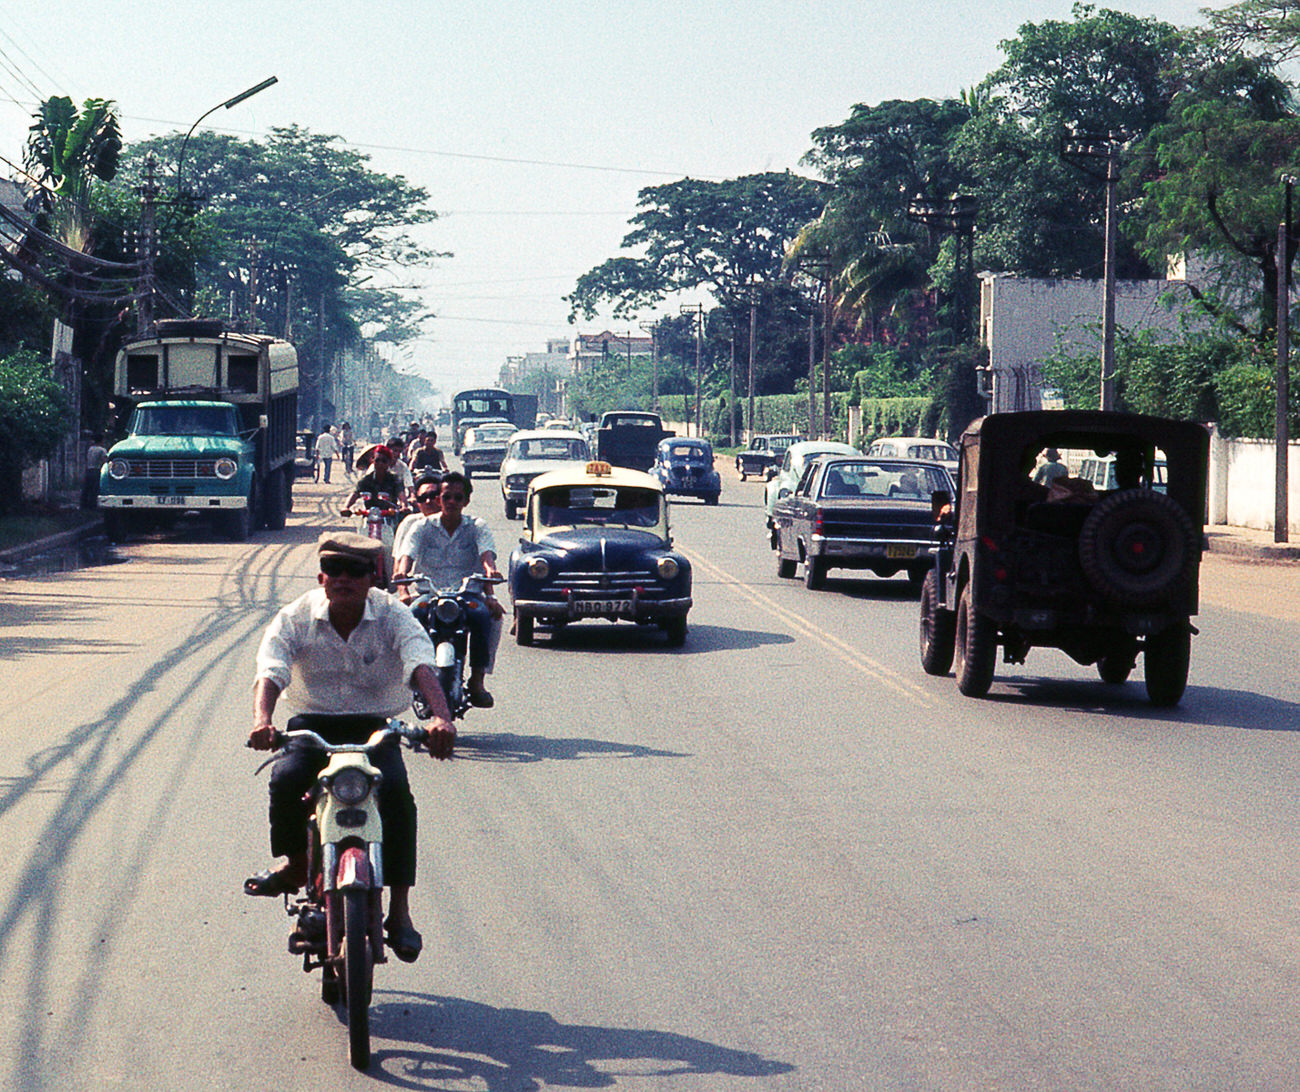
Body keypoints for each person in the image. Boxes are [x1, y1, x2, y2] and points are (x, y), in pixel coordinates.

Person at [245, 531, 456, 963]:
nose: (345, 579)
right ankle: (296, 864)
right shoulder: (296, 616)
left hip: (375, 728)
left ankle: (399, 913)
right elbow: (272, 668)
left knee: (397, 797)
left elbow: (421, 662)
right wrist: (263, 721)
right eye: (335, 570)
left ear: (372, 576)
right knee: (285, 779)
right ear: (322, 576)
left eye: (356, 571)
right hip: (313, 726)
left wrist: (441, 718)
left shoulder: (395, 616)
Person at [393, 471, 504, 707]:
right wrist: (402, 574)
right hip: (429, 594)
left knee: (485, 617)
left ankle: (477, 680)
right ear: (438, 500)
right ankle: (412, 673)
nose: (452, 502)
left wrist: (491, 574)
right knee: (411, 616)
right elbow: (407, 555)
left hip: (467, 594)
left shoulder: (477, 527)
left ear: (466, 501)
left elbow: (486, 556)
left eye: (458, 497)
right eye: (447, 497)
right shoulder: (421, 526)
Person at [81, 433, 109, 509]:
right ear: (102, 440)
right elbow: (105, 461)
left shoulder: (90, 449)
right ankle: (93, 506)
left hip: (89, 469)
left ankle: (84, 505)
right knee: (95, 489)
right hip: (97, 470)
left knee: (87, 489)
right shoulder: (102, 450)